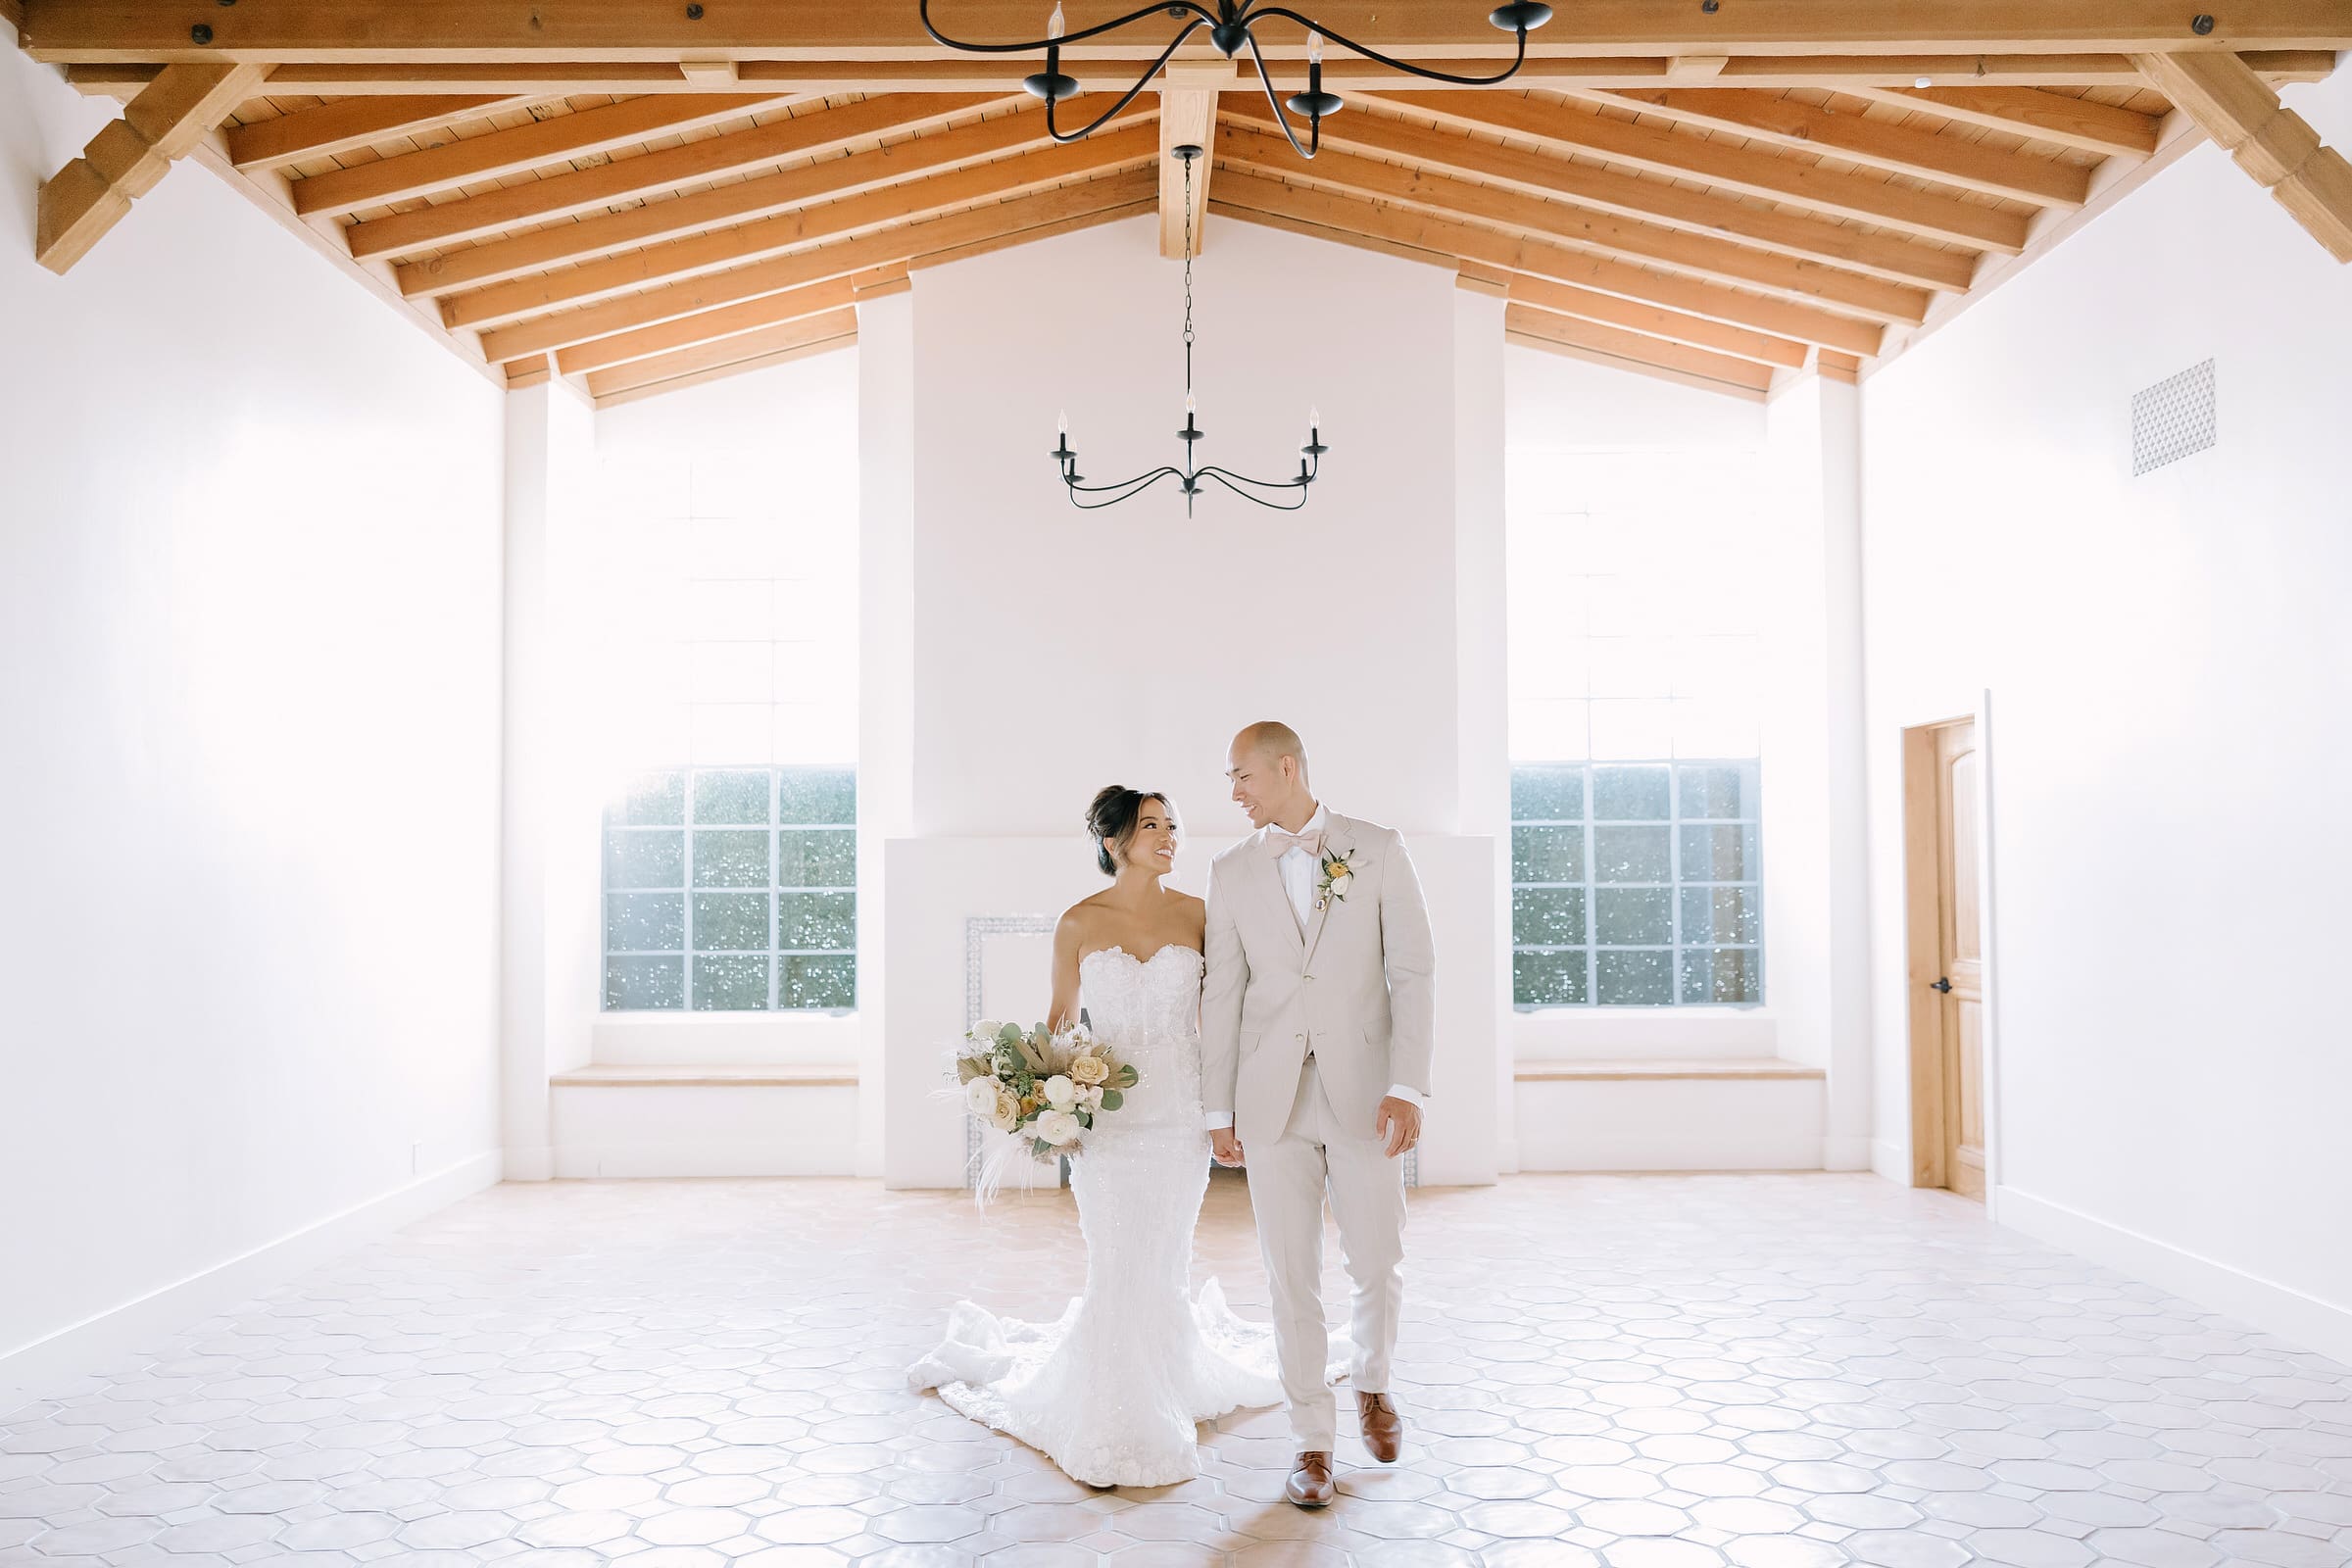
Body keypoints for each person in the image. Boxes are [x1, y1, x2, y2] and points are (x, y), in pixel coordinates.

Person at [906, 786, 1341, 1488]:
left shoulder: (1201, 915)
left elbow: (1220, 1023)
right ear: (1114, 842)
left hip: (1178, 1118)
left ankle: (1162, 1381)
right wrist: (1049, 1103)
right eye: (1151, 826)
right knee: (1115, 1257)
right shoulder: (1079, 923)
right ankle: (1113, 1410)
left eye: (1172, 826)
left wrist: (1222, 1114)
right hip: (1108, 1128)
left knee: (1165, 1255)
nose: (1168, 836)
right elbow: (1058, 1023)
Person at [1202, 720, 1434, 1508]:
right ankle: (1311, 1443)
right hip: (1271, 1102)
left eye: (1242, 776)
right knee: (1287, 1277)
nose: (1233, 791)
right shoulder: (1231, 870)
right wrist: (1216, 1108)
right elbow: (1222, 993)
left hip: (1366, 1092)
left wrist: (1409, 1084)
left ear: (1287, 767)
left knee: (1376, 1259)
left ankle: (1372, 1381)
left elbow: (1413, 972)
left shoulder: (1376, 847)